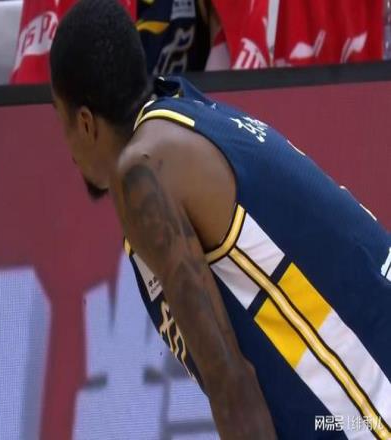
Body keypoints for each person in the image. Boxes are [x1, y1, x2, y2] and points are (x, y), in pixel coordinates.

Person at [49, 0, 391, 438]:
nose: (67, 149)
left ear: (84, 121)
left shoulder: (142, 171)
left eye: (60, 119)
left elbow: (231, 383)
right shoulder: (185, 110)